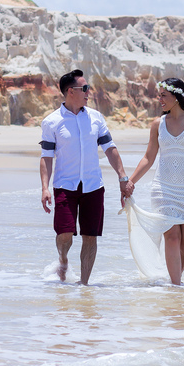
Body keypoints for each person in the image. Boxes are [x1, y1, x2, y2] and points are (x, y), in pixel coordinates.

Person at [40, 69, 131, 285]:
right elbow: (46, 157)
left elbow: (110, 148)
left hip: (93, 186)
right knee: (65, 233)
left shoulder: (96, 118)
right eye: (85, 88)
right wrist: (45, 188)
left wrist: (122, 177)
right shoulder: (51, 122)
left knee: (90, 236)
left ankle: (84, 284)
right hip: (65, 186)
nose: (89, 92)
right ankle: (62, 261)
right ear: (71, 91)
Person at [123, 78, 184, 286]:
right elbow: (148, 157)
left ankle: (174, 280)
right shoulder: (158, 124)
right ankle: (176, 288)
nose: (160, 99)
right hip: (163, 189)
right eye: (159, 95)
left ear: (177, 96)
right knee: (172, 237)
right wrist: (131, 182)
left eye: (163, 95)